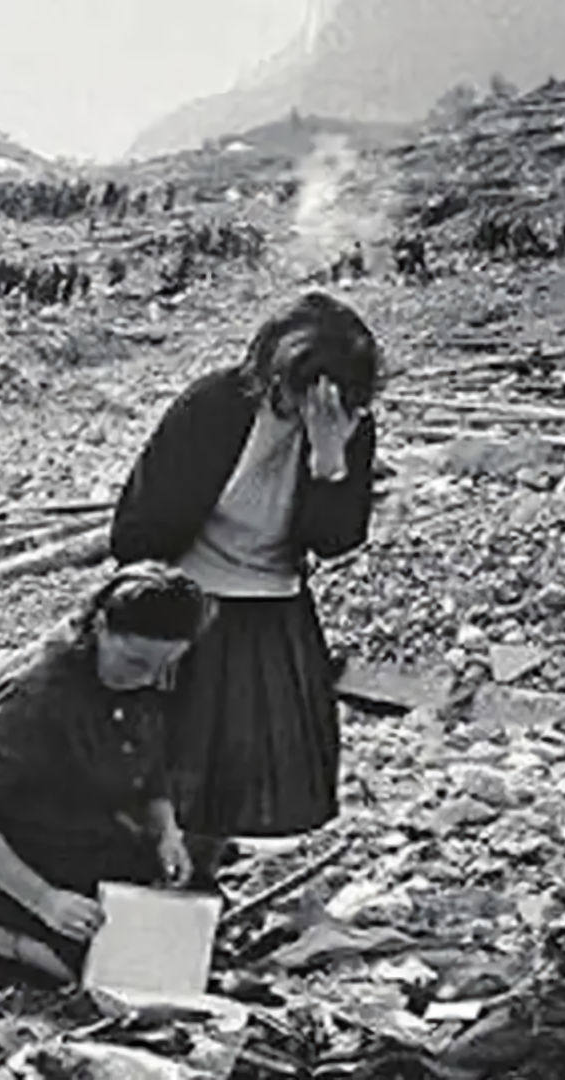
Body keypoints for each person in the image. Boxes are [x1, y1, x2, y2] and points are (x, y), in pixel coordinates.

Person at [110, 292, 379, 851]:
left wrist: (330, 464)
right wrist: (144, 611)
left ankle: (200, 874)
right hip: (187, 597)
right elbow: (141, 519)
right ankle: (144, 875)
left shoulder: (347, 425)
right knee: (160, 761)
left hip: (271, 605)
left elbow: (335, 542)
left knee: (244, 772)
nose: (301, 406)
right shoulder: (213, 405)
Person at [0, 563, 212, 992]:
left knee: (185, 945)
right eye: (136, 662)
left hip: (85, 836)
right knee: (101, 978)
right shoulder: (34, 697)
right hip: (8, 853)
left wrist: (165, 830)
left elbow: (150, 761)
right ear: (101, 626)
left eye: (165, 664)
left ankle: (28, 947)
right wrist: (44, 900)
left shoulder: (143, 673)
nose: (150, 679)